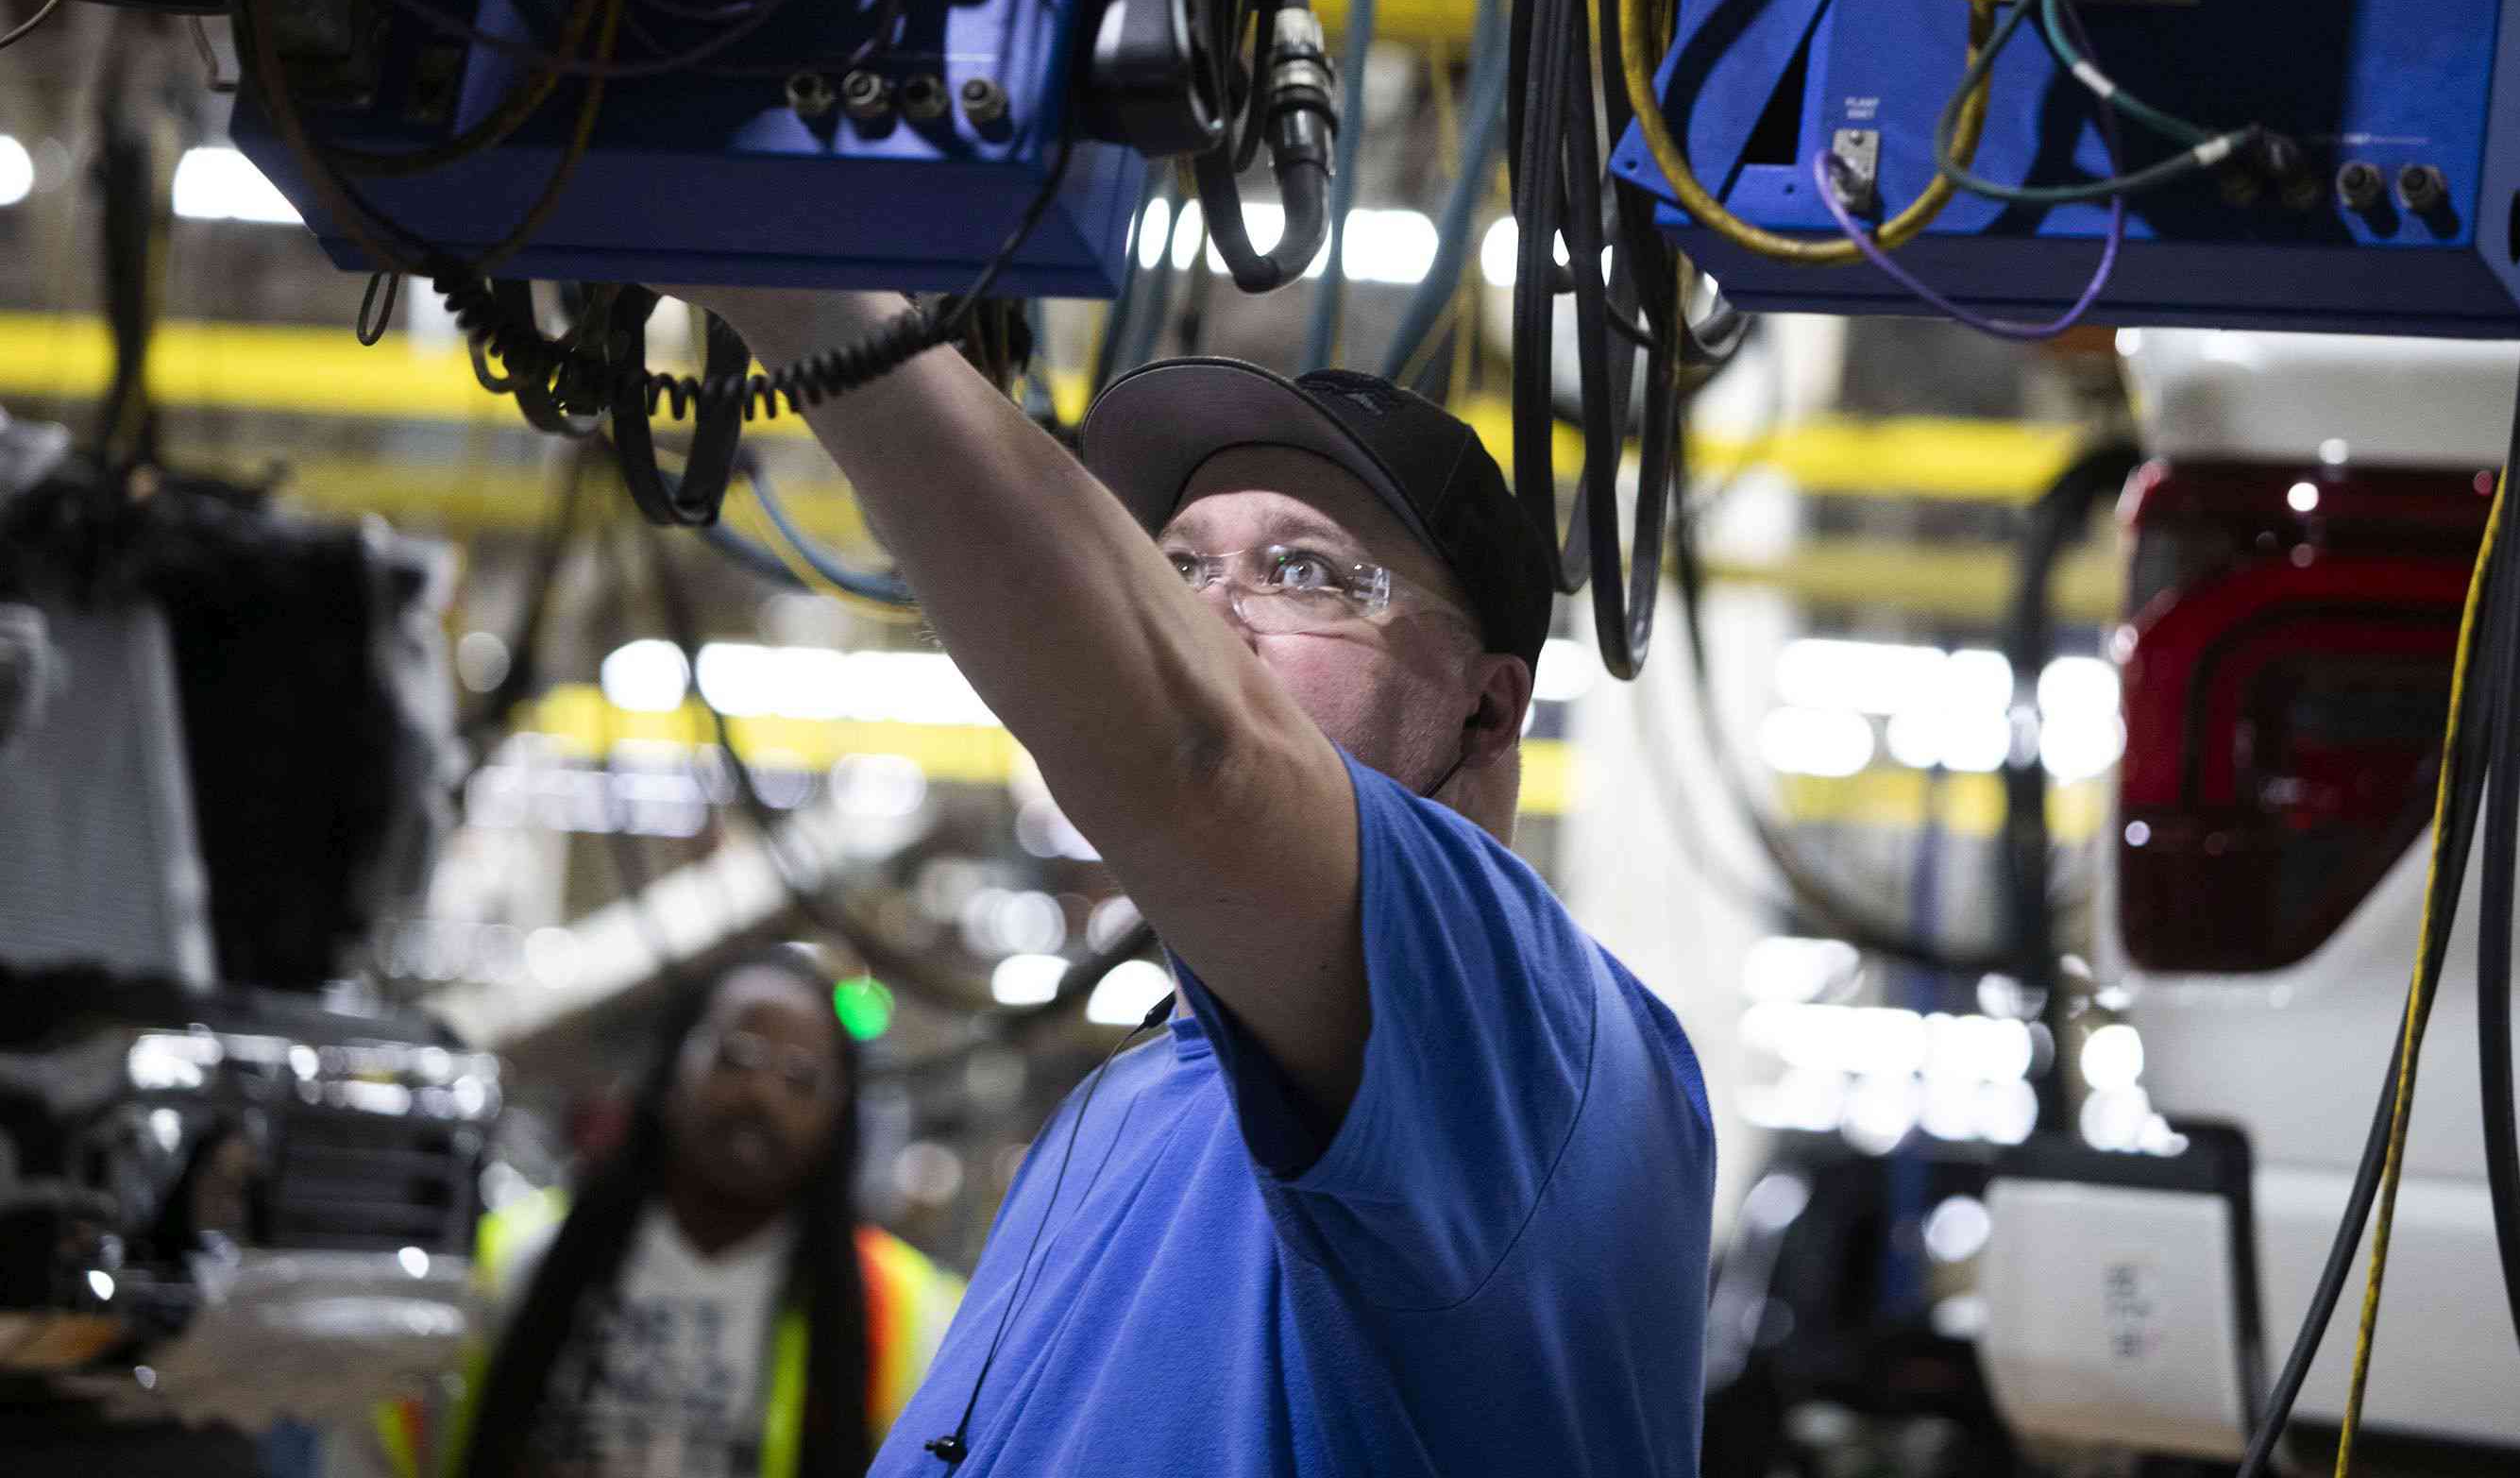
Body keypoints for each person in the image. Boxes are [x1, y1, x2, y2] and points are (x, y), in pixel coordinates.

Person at [692, 289, 1717, 1478]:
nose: (1213, 615)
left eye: (1303, 572)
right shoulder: (1114, 1110)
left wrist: (800, 296)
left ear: (1487, 709)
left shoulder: (1531, 1039)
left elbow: (1208, 761)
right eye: (1176, 568)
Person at [377, 947, 959, 1478]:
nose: (762, 1095)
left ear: (839, 1118)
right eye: (737, 1058)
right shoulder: (504, 1264)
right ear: (670, 1072)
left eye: (801, 1079)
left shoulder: (914, 1317)